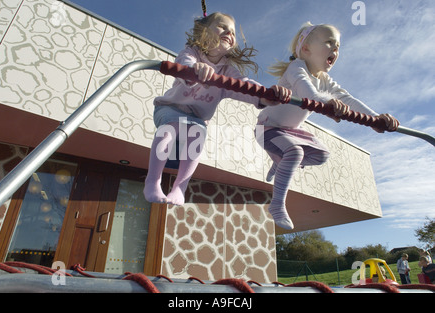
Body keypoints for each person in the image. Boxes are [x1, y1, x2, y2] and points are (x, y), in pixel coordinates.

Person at [255, 22, 399, 230]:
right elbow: (310, 96)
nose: (335, 49)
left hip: (290, 131)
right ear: (306, 49)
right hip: (266, 129)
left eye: (338, 46)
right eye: (329, 43)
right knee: (294, 153)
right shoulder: (296, 68)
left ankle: (280, 162)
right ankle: (277, 205)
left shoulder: (325, 80)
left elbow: (347, 98)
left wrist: (376, 119)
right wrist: (329, 104)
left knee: (321, 155)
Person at [144, 12, 291, 206]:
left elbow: (244, 85)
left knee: (196, 134)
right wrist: (195, 69)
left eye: (233, 32)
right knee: (170, 128)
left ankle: (180, 187)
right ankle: (153, 181)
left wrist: (265, 95)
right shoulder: (192, 52)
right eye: (223, 27)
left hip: (197, 118)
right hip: (171, 108)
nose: (229, 33)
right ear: (204, 31)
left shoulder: (227, 70)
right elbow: (183, 63)